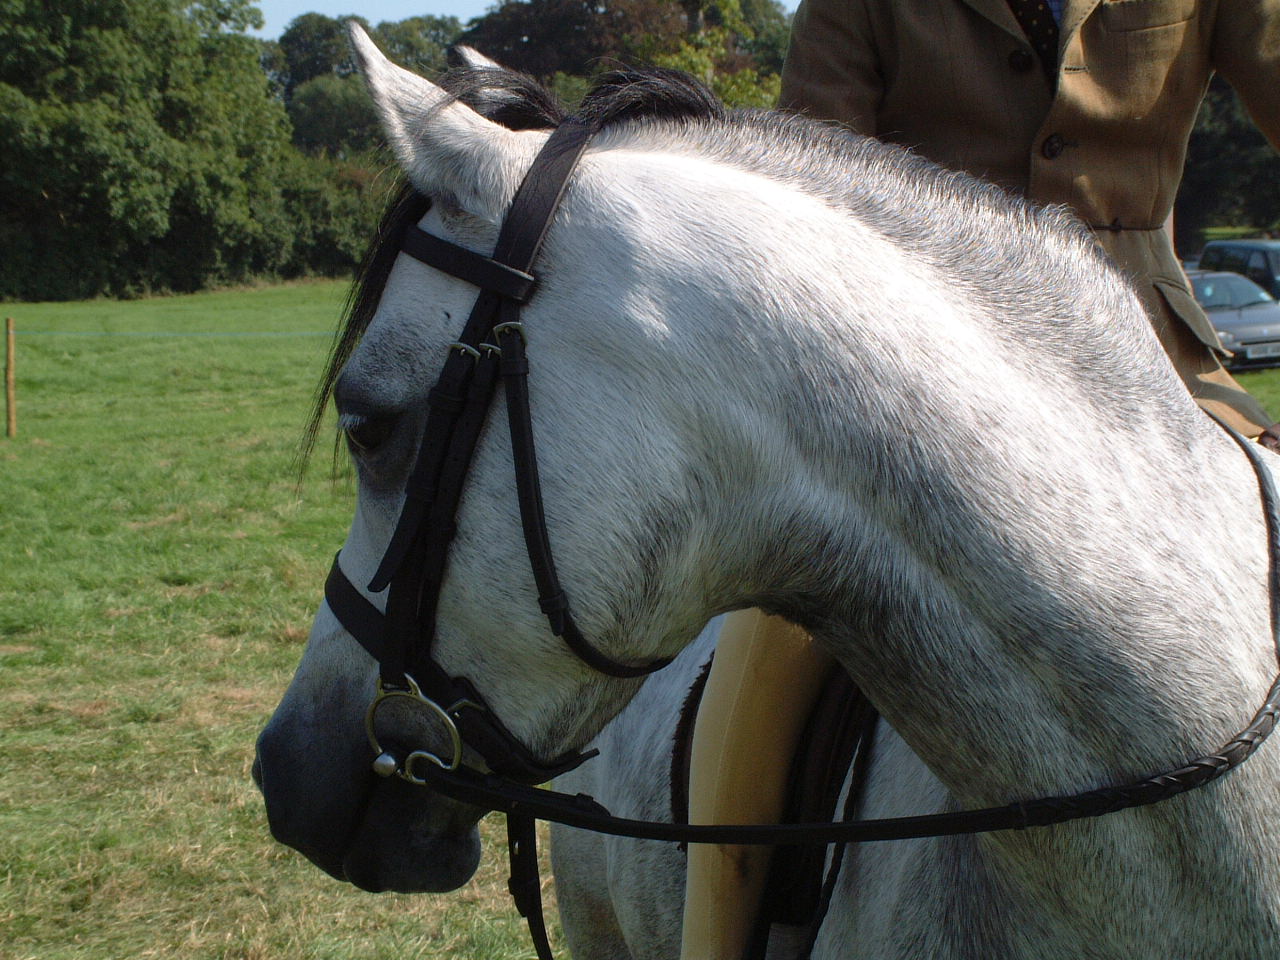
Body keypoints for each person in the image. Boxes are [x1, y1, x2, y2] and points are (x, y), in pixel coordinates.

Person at [680, 2, 1280, 958]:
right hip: (927, 380)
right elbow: (803, 182)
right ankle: (722, 934)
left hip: (1161, 368)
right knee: (771, 649)